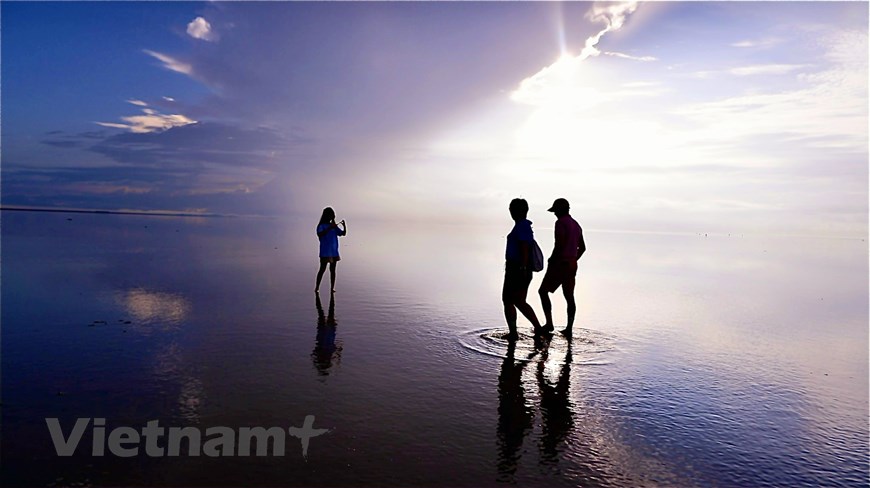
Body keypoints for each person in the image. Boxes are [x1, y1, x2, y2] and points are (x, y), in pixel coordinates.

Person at [539, 198, 585, 336]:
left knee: (542, 291)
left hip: (560, 263)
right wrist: (573, 259)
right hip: (572, 265)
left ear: (559, 210)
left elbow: (559, 244)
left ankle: (549, 324)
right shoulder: (576, 225)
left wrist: (552, 260)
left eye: (555, 211)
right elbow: (582, 248)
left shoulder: (560, 223)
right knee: (570, 297)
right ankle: (569, 328)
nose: (554, 214)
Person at [503, 198, 544, 339]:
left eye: (512, 209)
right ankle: (534, 329)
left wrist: (523, 268)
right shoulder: (523, 226)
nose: (511, 212)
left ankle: (515, 333)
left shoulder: (522, 226)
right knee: (516, 300)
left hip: (517, 269)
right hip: (518, 268)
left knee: (511, 300)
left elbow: (524, 247)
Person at [315, 207, 347, 293]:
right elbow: (319, 234)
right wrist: (330, 227)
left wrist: (344, 226)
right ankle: (317, 287)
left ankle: (332, 288)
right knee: (322, 269)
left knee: (333, 271)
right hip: (325, 251)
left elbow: (342, 233)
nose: (331, 217)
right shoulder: (321, 226)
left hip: (334, 251)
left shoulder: (333, 226)